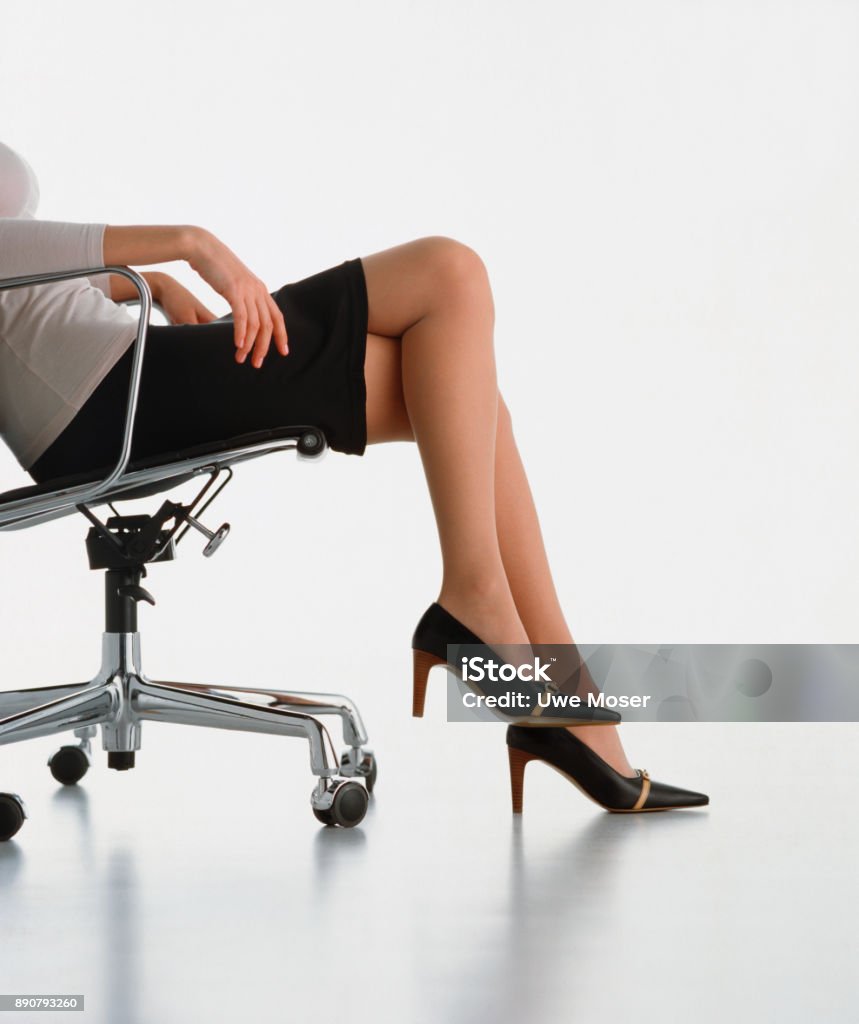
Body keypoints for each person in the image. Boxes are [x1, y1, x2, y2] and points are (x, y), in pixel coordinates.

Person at [0, 140, 707, 814]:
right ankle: (477, 605)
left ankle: (567, 705)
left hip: (123, 368)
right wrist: (192, 244)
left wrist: (149, 283)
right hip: (101, 399)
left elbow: (20, 286)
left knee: (470, 401)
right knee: (447, 272)